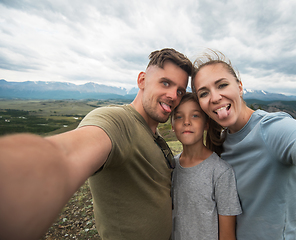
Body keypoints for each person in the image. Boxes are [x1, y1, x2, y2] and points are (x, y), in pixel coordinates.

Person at [0, 48, 193, 240]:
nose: (173, 96)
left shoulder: (152, 131)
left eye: (180, 91)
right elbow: (65, 154)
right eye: (165, 83)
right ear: (142, 80)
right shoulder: (117, 121)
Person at [190, 50, 296, 239]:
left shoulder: (273, 129)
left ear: (239, 87)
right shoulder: (221, 141)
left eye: (222, 85)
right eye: (204, 93)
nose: (214, 97)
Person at [170, 92, 242, 240]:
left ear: (206, 124)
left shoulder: (221, 172)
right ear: (172, 125)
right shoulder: (170, 167)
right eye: (179, 116)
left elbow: (227, 235)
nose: (186, 122)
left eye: (195, 115)